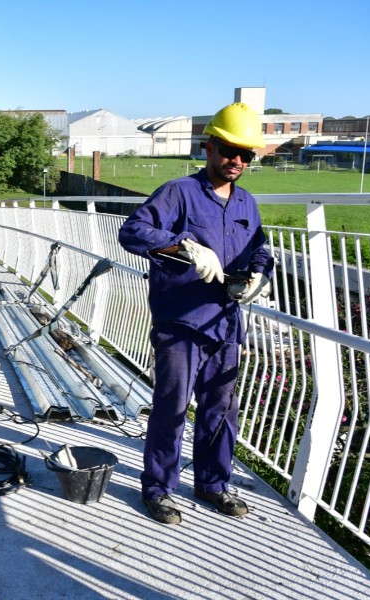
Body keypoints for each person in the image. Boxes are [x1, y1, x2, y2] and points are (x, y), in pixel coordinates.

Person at [118, 102, 275, 525]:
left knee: (220, 409)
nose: (237, 161)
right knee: (172, 406)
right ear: (209, 148)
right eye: (228, 151)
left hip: (225, 322)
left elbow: (259, 247)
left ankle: (212, 483)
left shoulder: (247, 203)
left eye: (246, 155)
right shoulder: (178, 192)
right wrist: (182, 245)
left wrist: (260, 273)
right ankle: (159, 489)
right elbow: (133, 231)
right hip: (181, 322)